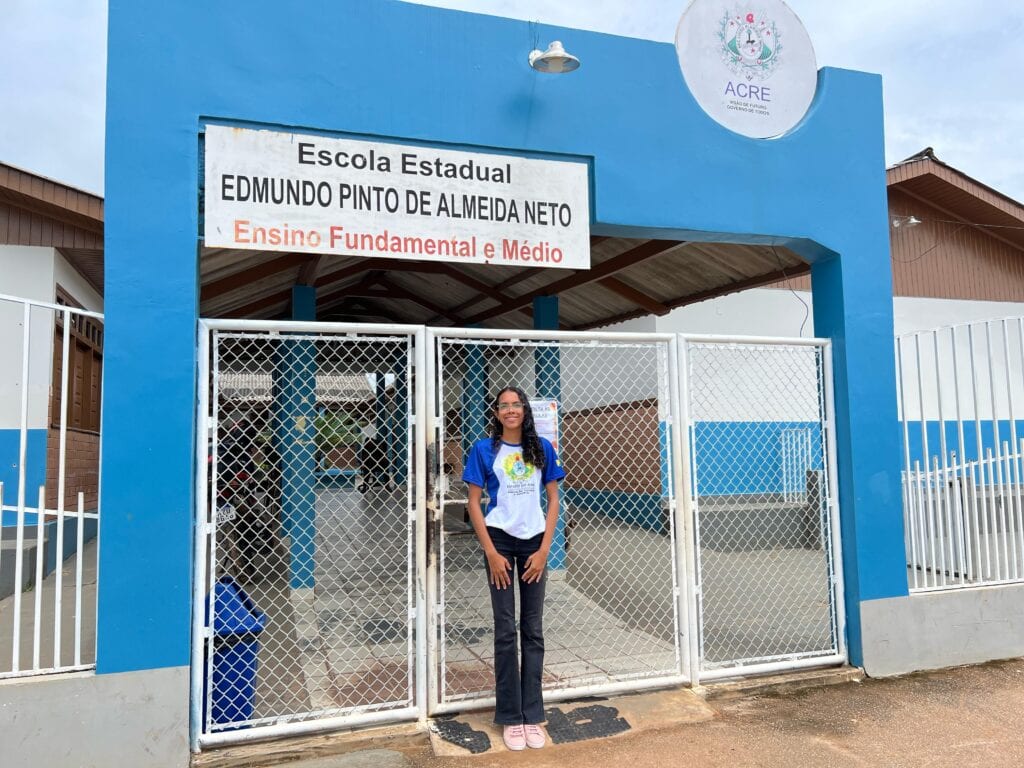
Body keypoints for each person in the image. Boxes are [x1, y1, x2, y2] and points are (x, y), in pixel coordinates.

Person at [462, 386, 566, 751]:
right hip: (500, 543)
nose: (510, 410)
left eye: (515, 404)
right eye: (503, 405)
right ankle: (510, 716)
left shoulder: (542, 449)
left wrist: (544, 551)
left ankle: (533, 714)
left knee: (532, 628)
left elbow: (553, 500)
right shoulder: (483, 450)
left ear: (524, 410)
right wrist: (490, 551)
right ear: (495, 412)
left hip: (534, 543)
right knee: (506, 629)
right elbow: (474, 503)